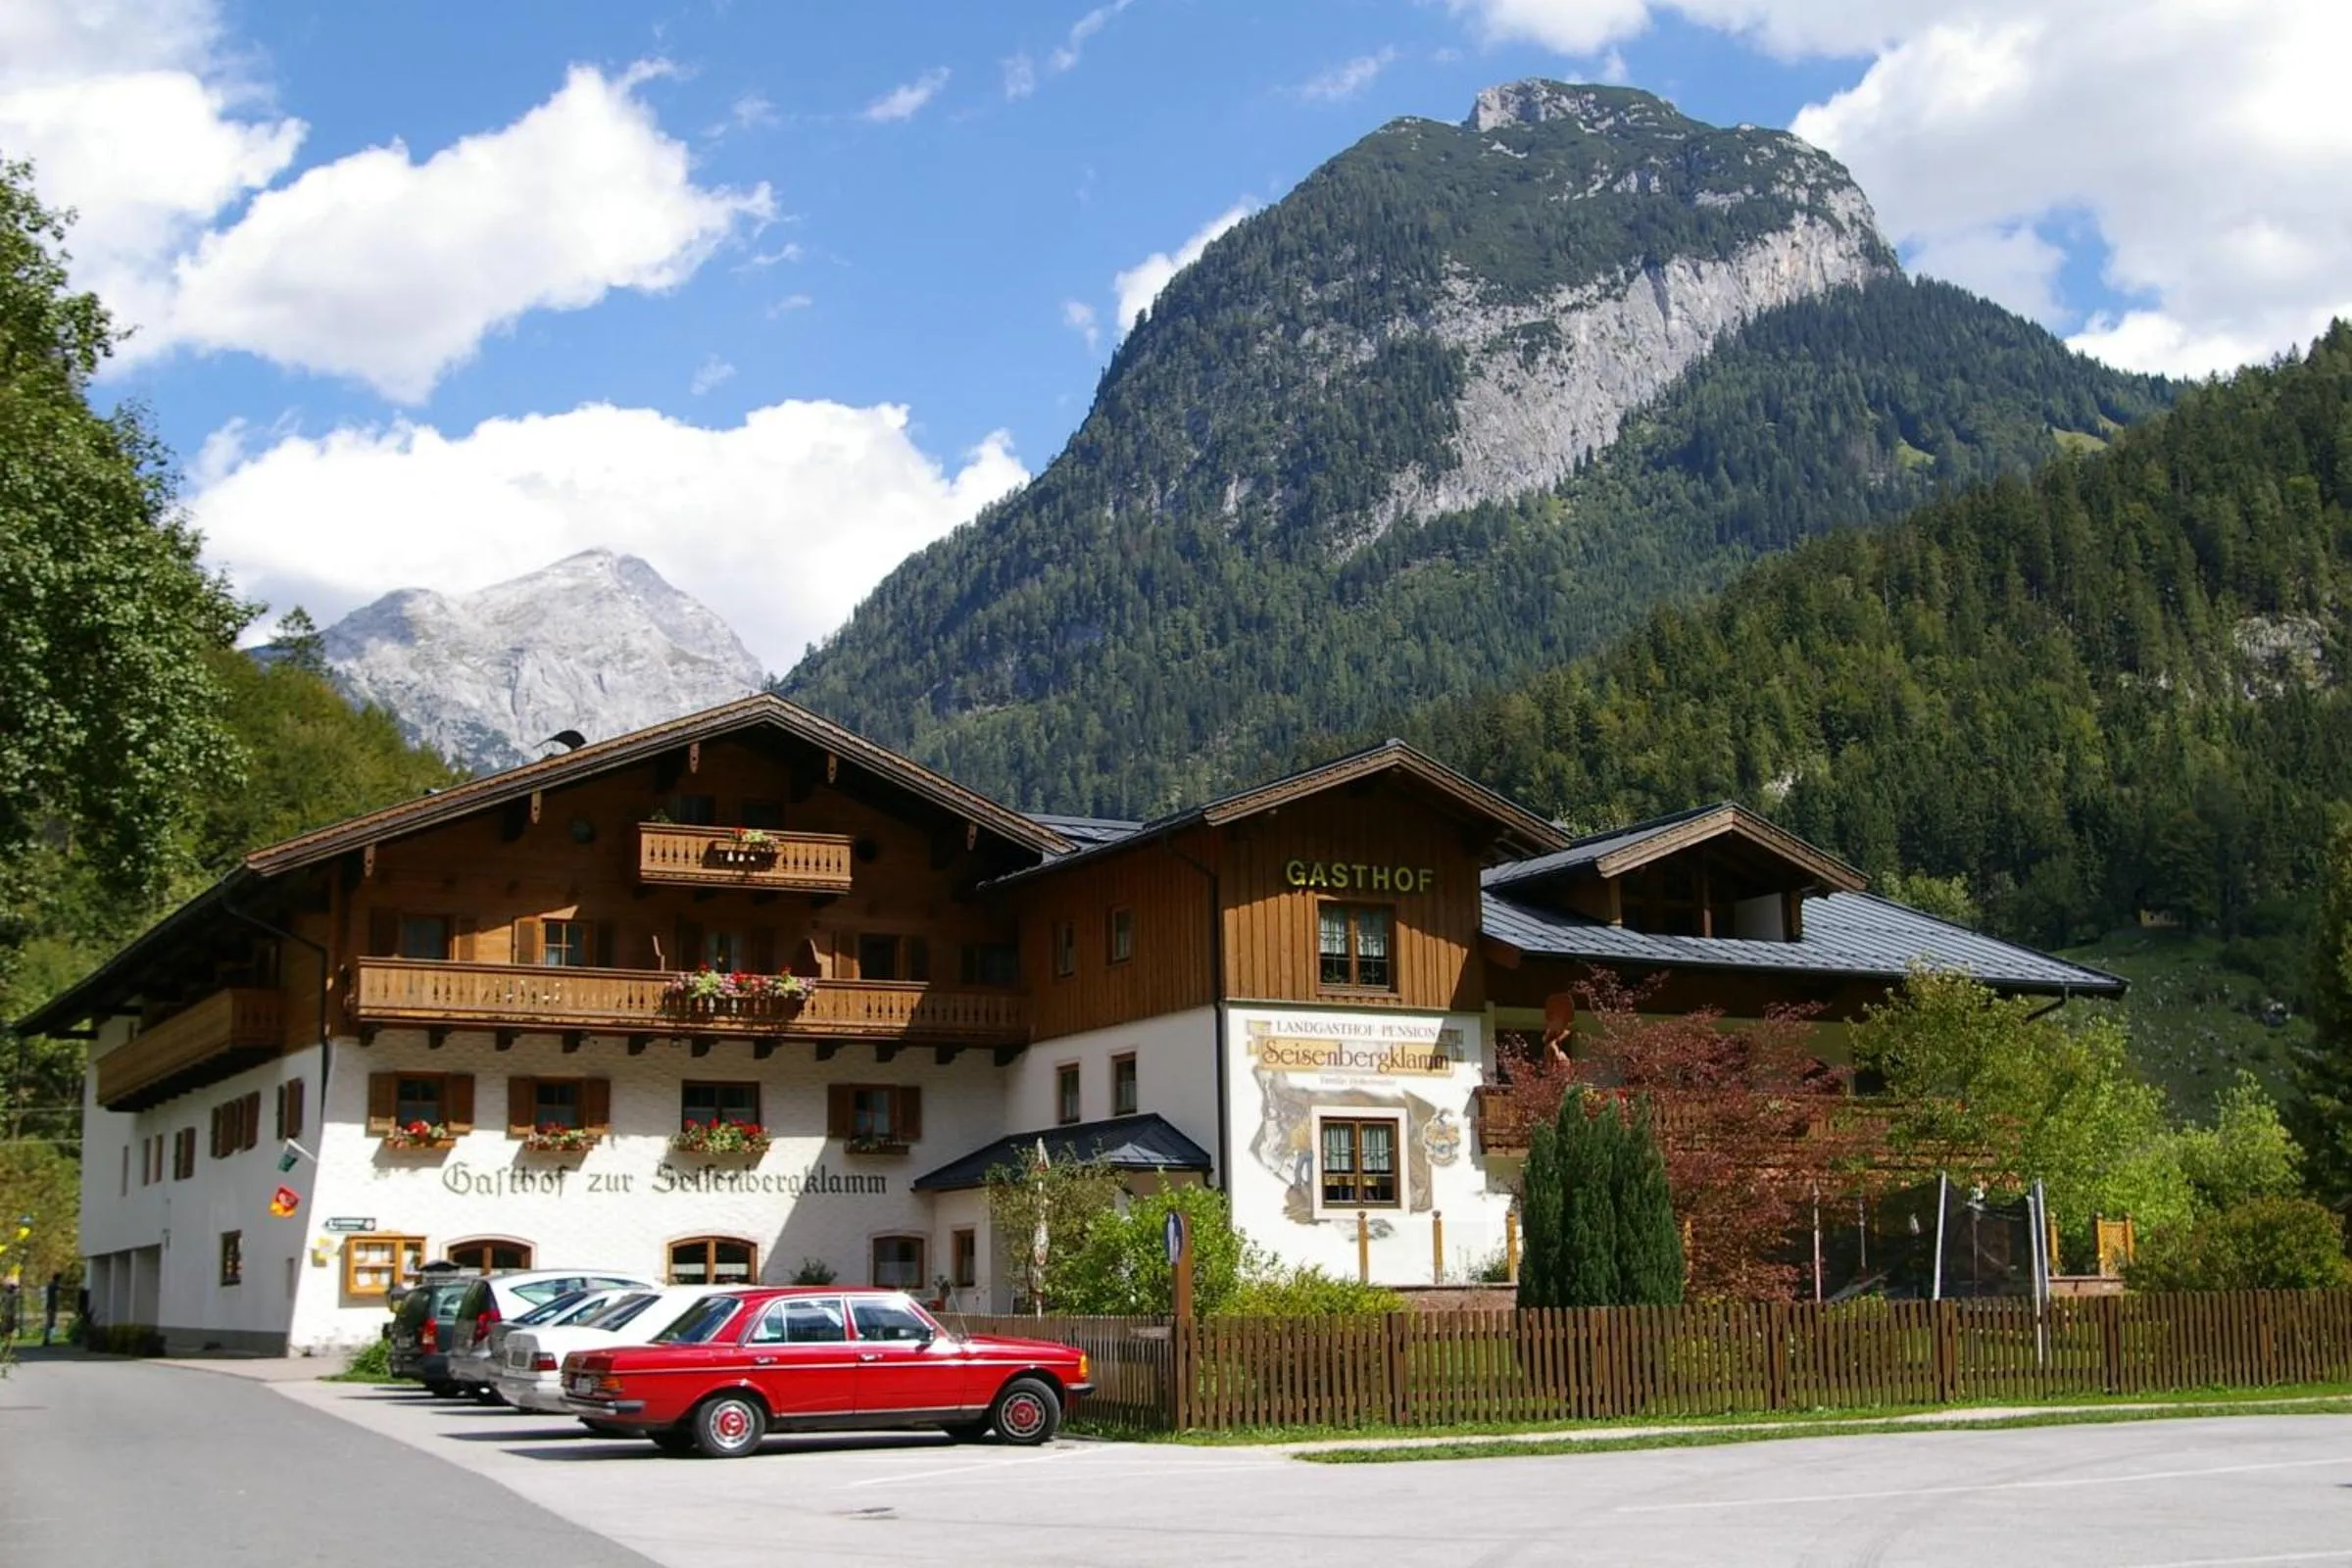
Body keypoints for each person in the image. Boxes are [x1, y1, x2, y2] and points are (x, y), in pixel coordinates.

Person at [42, 1272, 61, 1347]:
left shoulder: (52, 1285)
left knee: (51, 1323)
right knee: (50, 1323)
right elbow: (61, 1288)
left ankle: (48, 1339)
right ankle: (46, 1339)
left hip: (52, 1306)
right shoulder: (53, 1285)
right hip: (51, 1307)